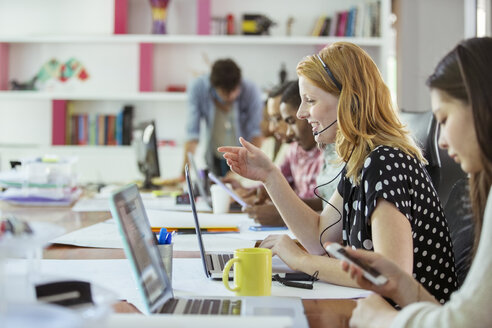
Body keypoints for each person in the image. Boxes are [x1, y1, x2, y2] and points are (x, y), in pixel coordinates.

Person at [218, 41, 457, 303]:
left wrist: (299, 260)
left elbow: (391, 275)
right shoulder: (362, 160)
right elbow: (319, 237)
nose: (301, 113)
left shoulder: (384, 162)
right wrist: (270, 175)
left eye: (310, 100)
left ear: (349, 100)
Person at [341, 37, 492, 328]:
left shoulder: (383, 161)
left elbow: (465, 323)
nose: (442, 141)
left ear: (481, 105)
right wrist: (400, 284)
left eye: (444, 119)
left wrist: (381, 320)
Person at [245, 80, 325, 226]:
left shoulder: (330, 151)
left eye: (282, 119)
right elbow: (278, 180)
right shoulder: (295, 148)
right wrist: (258, 191)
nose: (272, 128)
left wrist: (284, 210)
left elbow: (328, 205)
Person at [183, 58, 263, 177]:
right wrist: (184, 173)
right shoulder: (198, 88)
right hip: (213, 155)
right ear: (214, 87)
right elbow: (192, 133)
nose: (230, 96)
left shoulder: (251, 90)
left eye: (233, 92)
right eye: (225, 93)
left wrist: (247, 166)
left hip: (242, 156)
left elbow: (256, 133)